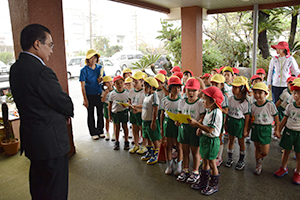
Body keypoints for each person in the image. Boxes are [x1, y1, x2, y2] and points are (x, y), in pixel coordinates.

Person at [9, 24, 74, 200]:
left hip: (33, 141)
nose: (51, 50)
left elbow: (34, 103)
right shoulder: (41, 71)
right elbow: (63, 102)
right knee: (55, 190)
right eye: (50, 45)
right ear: (37, 44)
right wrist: (66, 112)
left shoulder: (15, 69)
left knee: (39, 188)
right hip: (51, 144)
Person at [188, 86, 224, 195]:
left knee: (212, 162)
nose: (203, 101)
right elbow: (205, 124)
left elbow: (210, 129)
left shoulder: (216, 112)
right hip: (205, 139)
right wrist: (200, 128)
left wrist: (197, 124)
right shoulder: (209, 110)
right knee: (205, 160)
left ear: (213, 101)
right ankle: (203, 181)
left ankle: (213, 184)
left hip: (211, 141)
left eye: (205, 99)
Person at [176, 78, 205, 184]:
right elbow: (179, 114)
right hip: (184, 129)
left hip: (194, 130)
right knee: (185, 151)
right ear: (185, 91)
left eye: (194, 90)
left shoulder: (200, 103)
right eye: (188, 90)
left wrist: (198, 125)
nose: (191, 93)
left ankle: (195, 171)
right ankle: (185, 170)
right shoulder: (182, 101)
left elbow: (203, 117)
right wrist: (177, 121)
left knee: (195, 152)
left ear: (199, 91)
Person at [248, 82, 280, 175]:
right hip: (255, 128)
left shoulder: (270, 104)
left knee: (265, 151)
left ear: (266, 94)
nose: (257, 95)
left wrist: (277, 129)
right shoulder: (253, 106)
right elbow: (251, 118)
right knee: (257, 147)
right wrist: (248, 129)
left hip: (266, 128)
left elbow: (276, 116)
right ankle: (258, 165)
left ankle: (261, 157)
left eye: (260, 93)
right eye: (255, 92)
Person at [275, 81, 300, 185]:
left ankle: (298, 172)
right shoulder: (290, 106)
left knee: (299, 154)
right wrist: (278, 130)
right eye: (294, 93)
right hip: (289, 131)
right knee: (286, 151)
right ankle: (283, 167)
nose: (296, 96)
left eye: (299, 93)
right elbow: (285, 119)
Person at [225, 76, 250, 170]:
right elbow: (227, 112)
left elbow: (247, 116)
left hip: (240, 123)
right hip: (231, 121)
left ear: (242, 89)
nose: (233, 89)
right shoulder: (230, 99)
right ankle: (230, 157)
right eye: (233, 87)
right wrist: (226, 124)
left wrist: (245, 129)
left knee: (241, 142)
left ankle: (241, 159)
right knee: (231, 140)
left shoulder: (245, 102)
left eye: (236, 87)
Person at [79, 49, 105, 140]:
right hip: (89, 95)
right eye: (91, 58)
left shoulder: (100, 68)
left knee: (100, 113)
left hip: (99, 94)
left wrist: (102, 81)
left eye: (95, 57)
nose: (93, 59)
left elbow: (105, 82)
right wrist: (85, 99)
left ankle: (100, 130)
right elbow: (82, 86)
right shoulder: (84, 70)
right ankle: (93, 132)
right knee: (90, 114)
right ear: (87, 59)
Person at [160, 76, 183, 175]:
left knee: (179, 146)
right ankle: (169, 165)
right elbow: (162, 114)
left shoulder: (182, 100)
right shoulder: (165, 100)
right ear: (169, 88)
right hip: (168, 124)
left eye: (178, 88)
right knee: (168, 145)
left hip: (178, 125)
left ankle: (179, 166)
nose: (176, 90)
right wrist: (161, 128)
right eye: (174, 87)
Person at [138, 77, 162, 165]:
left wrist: (154, 121)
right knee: (147, 137)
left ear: (151, 87)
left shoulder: (154, 96)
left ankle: (155, 155)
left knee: (154, 138)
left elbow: (155, 109)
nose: (143, 88)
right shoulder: (147, 96)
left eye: (145, 87)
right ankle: (149, 152)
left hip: (151, 121)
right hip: (145, 121)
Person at [210, 74, 228, 167]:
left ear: (222, 85)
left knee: (219, 137)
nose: (214, 85)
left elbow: (226, 110)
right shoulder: (210, 94)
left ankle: (219, 157)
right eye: (212, 83)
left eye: (216, 84)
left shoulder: (224, 96)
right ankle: (212, 155)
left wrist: (217, 107)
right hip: (210, 119)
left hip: (219, 121)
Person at [108, 75, 129, 150]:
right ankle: (117, 141)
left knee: (125, 126)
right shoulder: (112, 94)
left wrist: (126, 106)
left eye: (121, 83)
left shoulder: (127, 93)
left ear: (124, 83)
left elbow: (129, 103)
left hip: (124, 112)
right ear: (114, 85)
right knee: (117, 127)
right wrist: (110, 115)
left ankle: (126, 141)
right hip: (115, 113)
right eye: (117, 83)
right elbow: (110, 105)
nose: (120, 85)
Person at [128, 71, 146, 154]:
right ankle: (136, 145)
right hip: (133, 112)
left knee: (142, 130)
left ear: (142, 82)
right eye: (133, 81)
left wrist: (136, 107)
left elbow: (146, 105)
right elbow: (130, 101)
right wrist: (127, 105)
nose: (134, 83)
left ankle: (144, 146)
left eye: (136, 82)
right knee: (134, 129)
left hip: (141, 113)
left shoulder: (144, 92)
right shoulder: (131, 91)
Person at [101, 75, 114, 141]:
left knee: (114, 121)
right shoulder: (104, 91)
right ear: (104, 84)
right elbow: (102, 100)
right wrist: (105, 93)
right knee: (107, 120)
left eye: (110, 82)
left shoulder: (115, 90)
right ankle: (107, 132)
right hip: (106, 106)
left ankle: (114, 133)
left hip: (114, 106)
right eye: (107, 82)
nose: (109, 84)